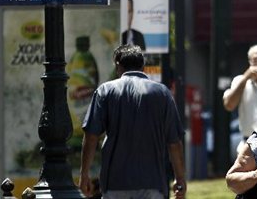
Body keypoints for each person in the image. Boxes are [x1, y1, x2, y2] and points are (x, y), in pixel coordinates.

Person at [79, 44, 186, 199]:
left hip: (115, 183)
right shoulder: (163, 93)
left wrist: (84, 175)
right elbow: (174, 142)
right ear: (143, 66)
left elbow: (91, 136)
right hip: (153, 183)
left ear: (118, 65)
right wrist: (180, 178)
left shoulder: (105, 91)